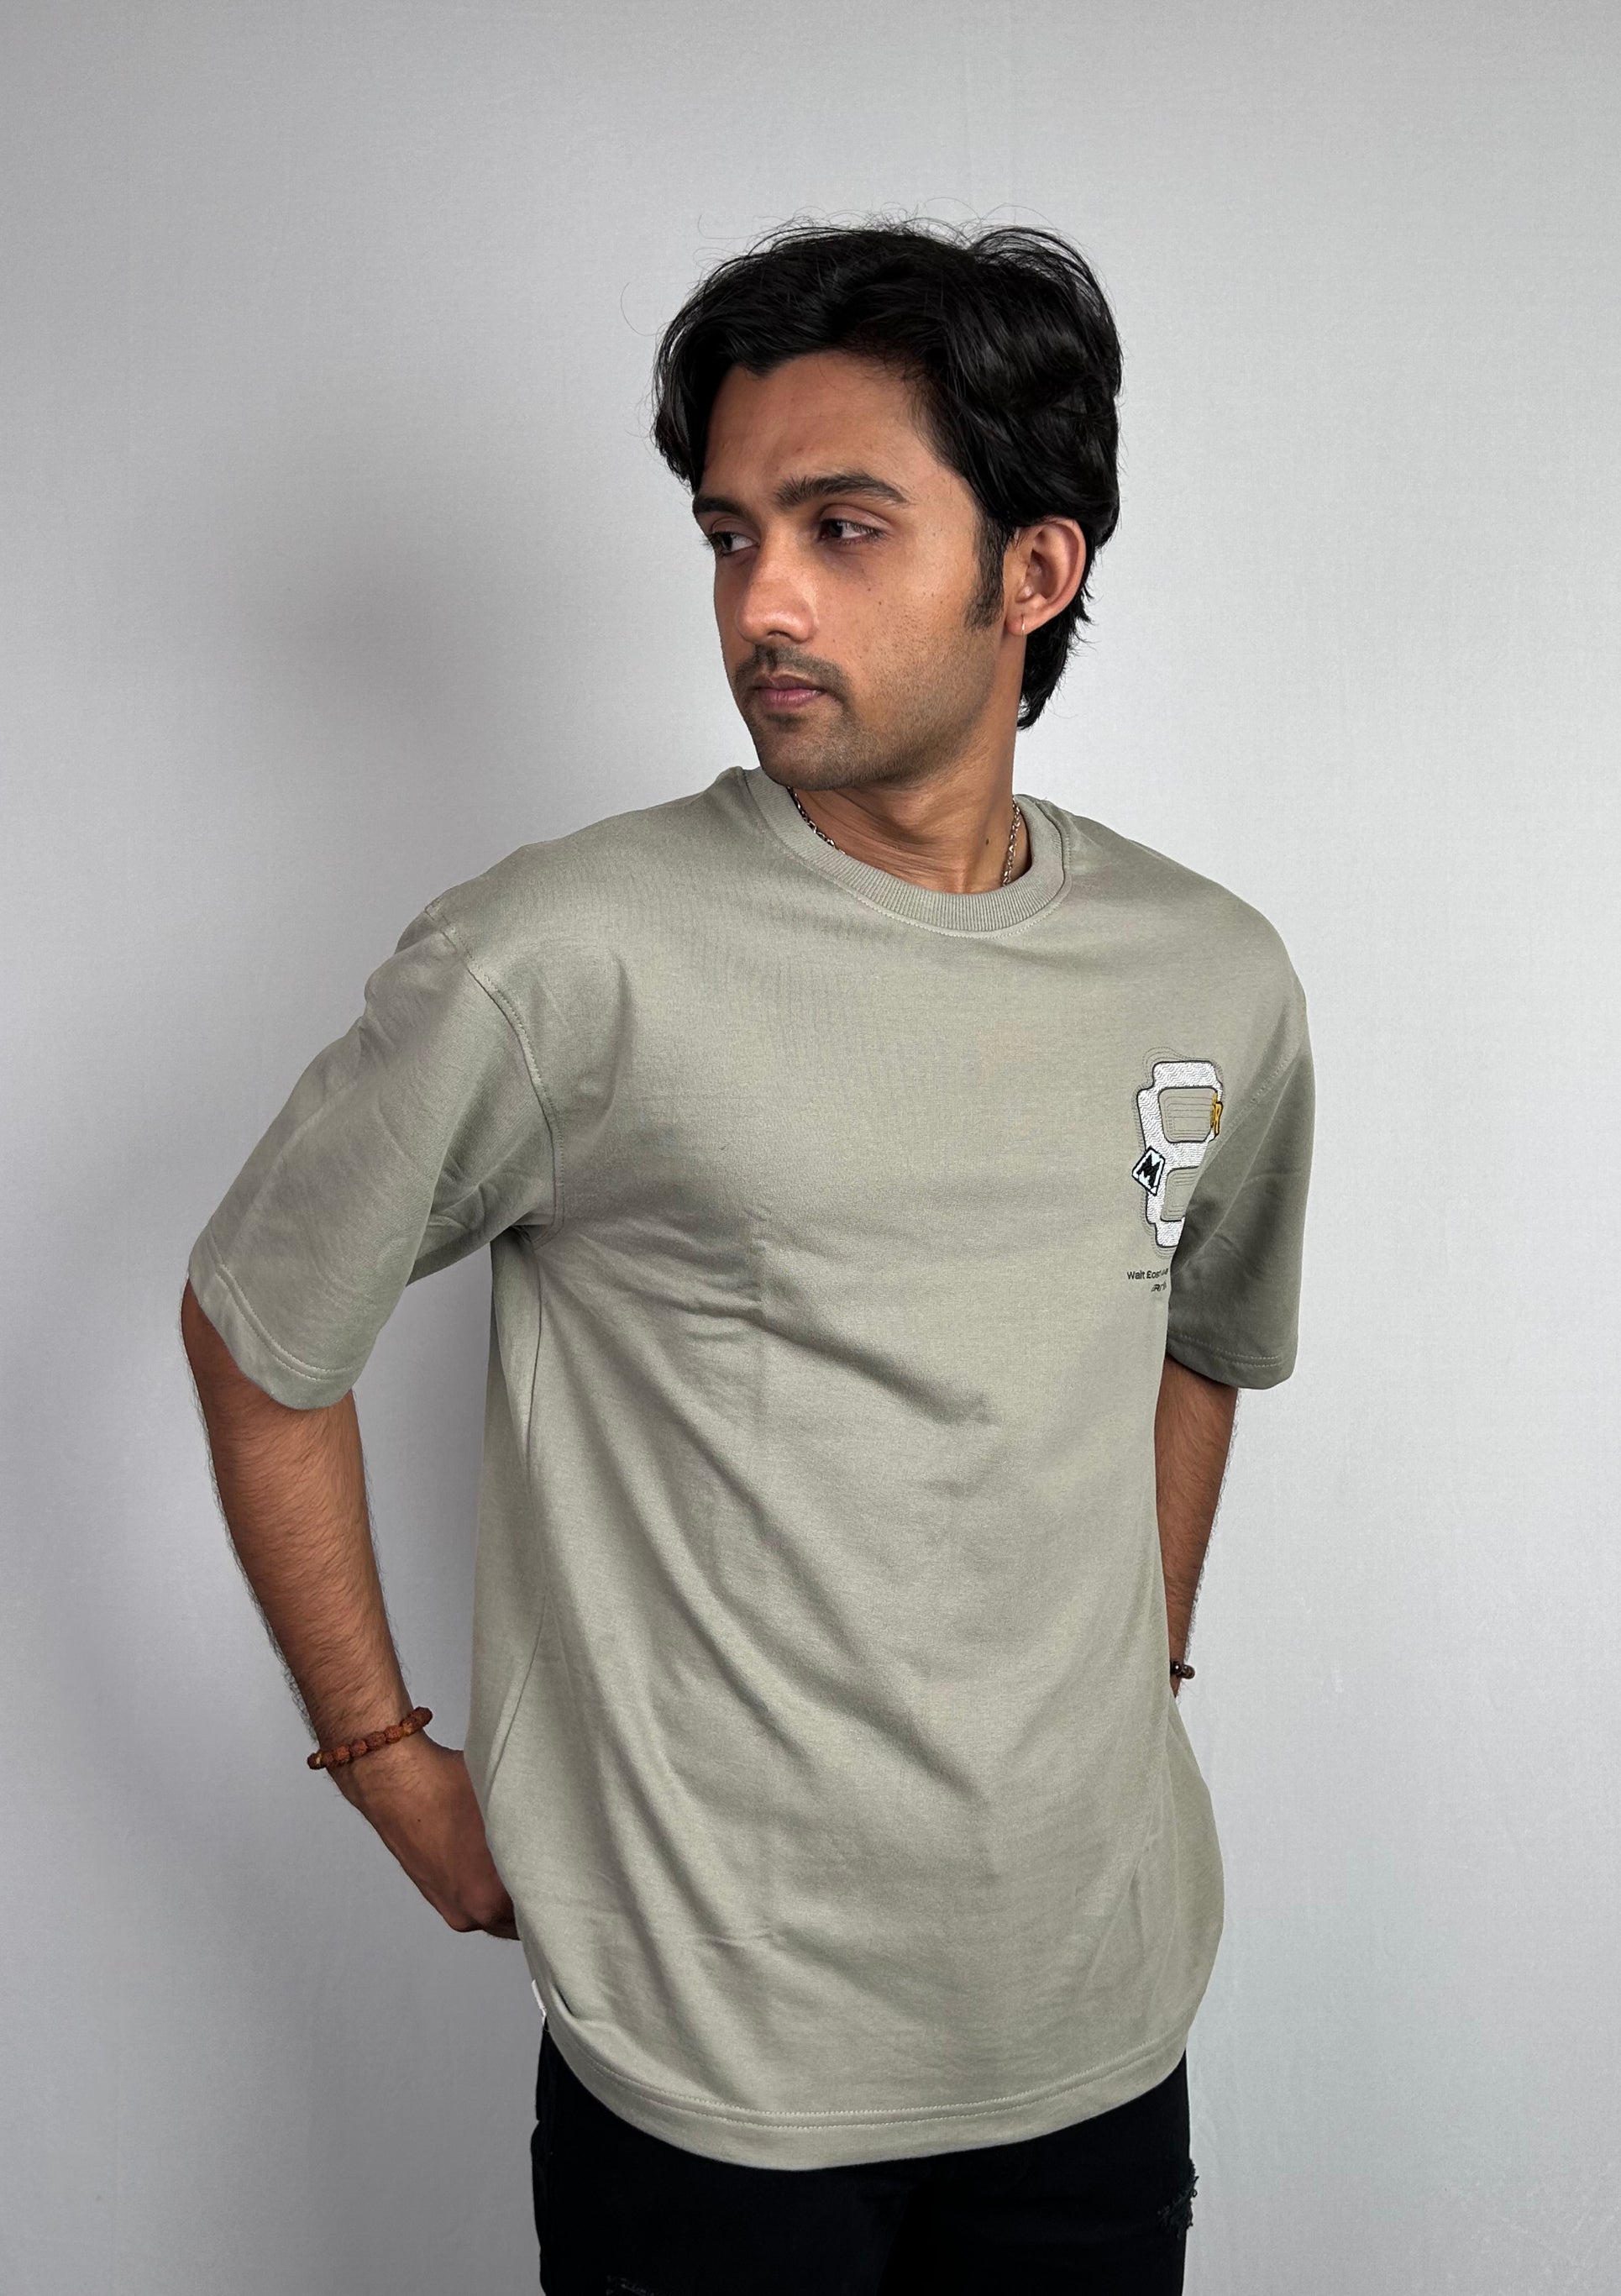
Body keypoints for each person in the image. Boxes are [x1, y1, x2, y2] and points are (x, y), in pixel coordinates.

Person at [182, 218, 1314, 2294]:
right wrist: (386, 1764)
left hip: (1093, 2020)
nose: (760, 599)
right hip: (710, 2067)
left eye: (840, 527)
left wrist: (1133, 1677)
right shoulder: (559, 955)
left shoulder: (1210, 971)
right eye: (729, 532)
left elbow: (1201, 1335)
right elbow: (262, 1329)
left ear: (1033, 570)